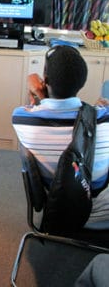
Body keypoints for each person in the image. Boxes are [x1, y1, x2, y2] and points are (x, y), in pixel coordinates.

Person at [12, 45, 109, 229]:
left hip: (56, 202)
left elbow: (34, 108)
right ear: (82, 82)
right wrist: (97, 109)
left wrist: (40, 93)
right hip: (100, 205)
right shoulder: (104, 118)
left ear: (45, 81)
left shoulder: (21, 118)